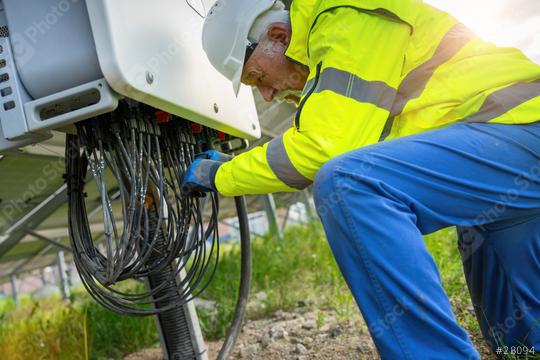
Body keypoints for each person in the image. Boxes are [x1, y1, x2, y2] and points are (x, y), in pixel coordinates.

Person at [182, 0, 540, 358]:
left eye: (258, 78)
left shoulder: (342, 17)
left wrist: (221, 174)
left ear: (278, 35)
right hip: (510, 163)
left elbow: (323, 148)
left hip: (520, 137)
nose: (267, 94)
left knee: (349, 185)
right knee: (517, 345)